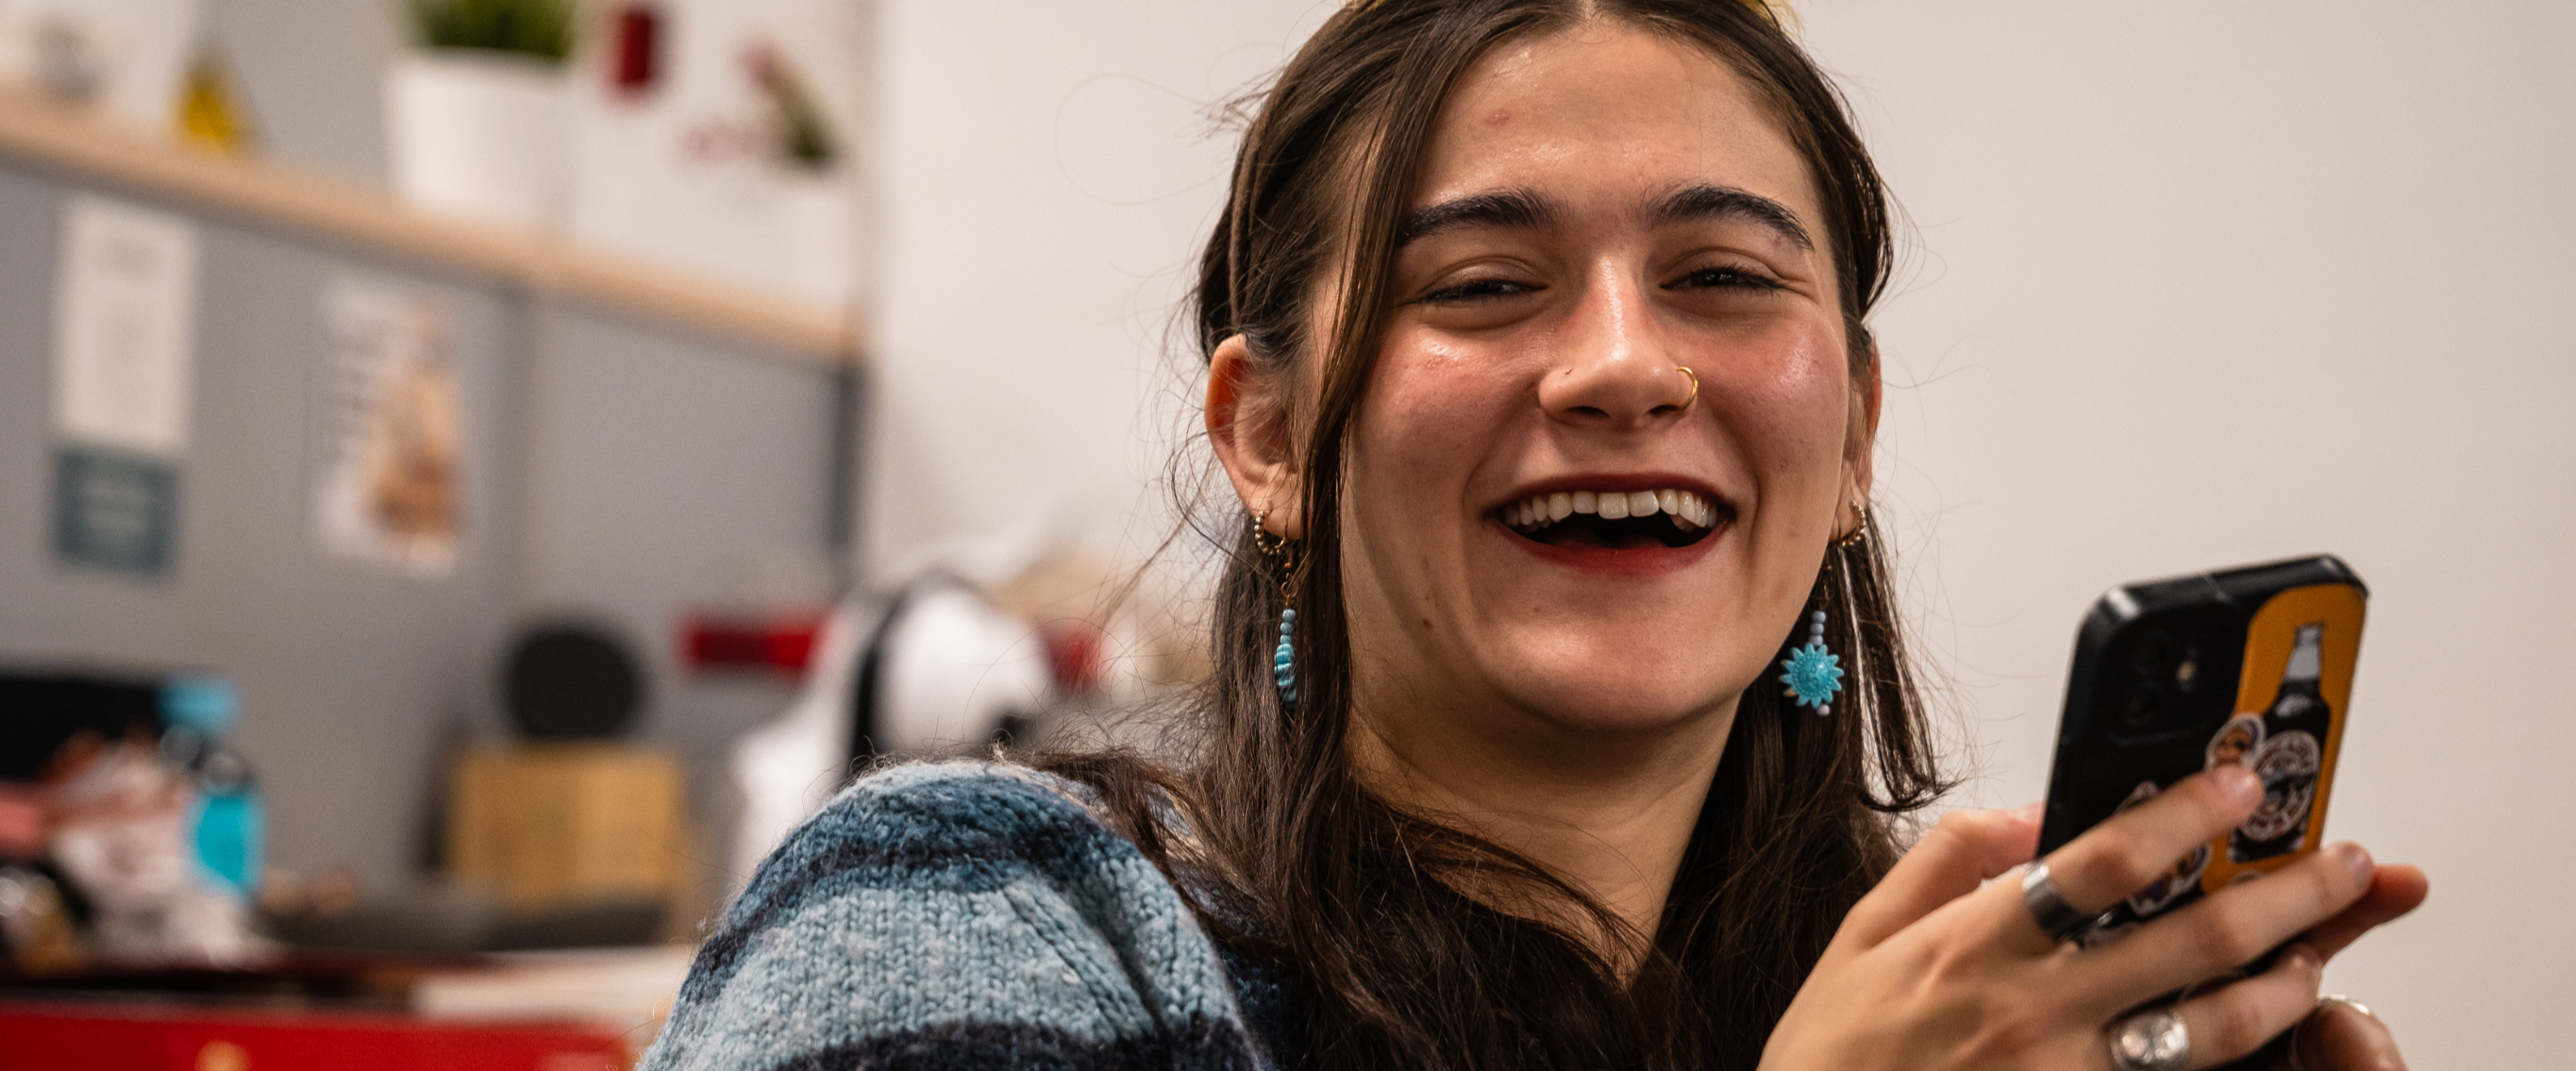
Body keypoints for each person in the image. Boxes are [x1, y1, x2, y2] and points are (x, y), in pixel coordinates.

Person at [642, 3, 2429, 1069]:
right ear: (1268, 437)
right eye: (1486, 284)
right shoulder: (969, 912)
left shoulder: (1952, 1003)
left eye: (1722, 276)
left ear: (1856, 433)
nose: (1626, 365)